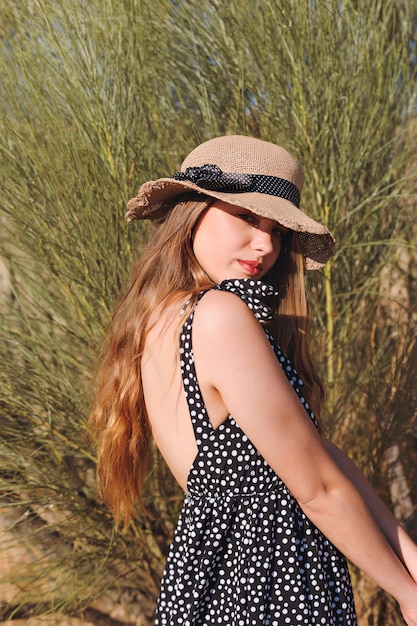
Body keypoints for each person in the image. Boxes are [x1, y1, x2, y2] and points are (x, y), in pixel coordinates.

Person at [89, 135, 417, 625]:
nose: (265, 244)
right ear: (191, 212)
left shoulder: (162, 317)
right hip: (264, 584)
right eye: (245, 217)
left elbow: (319, 457)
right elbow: (317, 491)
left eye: (278, 230)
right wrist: (405, 594)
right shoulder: (220, 315)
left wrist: (408, 556)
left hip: (228, 579)